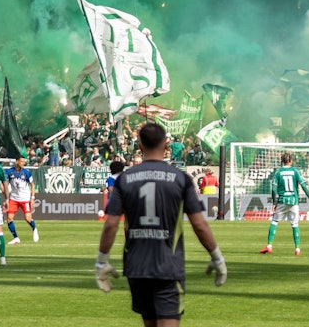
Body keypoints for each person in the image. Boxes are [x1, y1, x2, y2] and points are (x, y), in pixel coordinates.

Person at [95, 122, 226, 326]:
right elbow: (200, 224)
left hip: (136, 267)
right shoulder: (181, 179)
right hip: (167, 266)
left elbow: (111, 224)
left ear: (140, 146)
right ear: (166, 145)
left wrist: (102, 261)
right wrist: (216, 257)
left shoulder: (125, 179)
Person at [260, 152, 309, 255]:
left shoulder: (278, 172)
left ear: (282, 161)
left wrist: (274, 202)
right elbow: (303, 185)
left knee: (274, 221)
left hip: (282, 200)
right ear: (291, 161)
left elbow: (274, 189)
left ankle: (269, 246)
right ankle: (297, 249)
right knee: (294, 224)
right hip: (294, 201)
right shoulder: (295, 171)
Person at [5, 154, 39, 244]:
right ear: (17, 161)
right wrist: (6, 195)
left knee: (28, 218)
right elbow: (4, 183)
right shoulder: (9, 172)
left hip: (25, 198)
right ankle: (16, 237)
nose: (23, 163)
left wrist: (32, 198)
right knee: (9, 218)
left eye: (24, 162)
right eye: (22, 161)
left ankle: (34, 228)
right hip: (13, 198)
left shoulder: (26, 173)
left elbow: (32, 185)